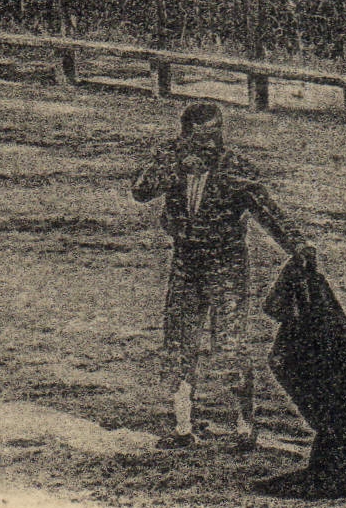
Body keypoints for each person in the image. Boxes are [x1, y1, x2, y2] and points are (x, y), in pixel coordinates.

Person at [131, 102, 318, 450]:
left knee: (230, 345)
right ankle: (183, 427)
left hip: (226, 266)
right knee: (179, 343)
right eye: (202, 138)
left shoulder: (234, 168)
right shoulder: (171, 162)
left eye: (216, 136)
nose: (211, 146)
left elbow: (268, 212)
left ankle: (245, 428)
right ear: (185, 137)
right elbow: (140, 191)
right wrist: (169, 162)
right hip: (186, 263)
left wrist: (298, 245)